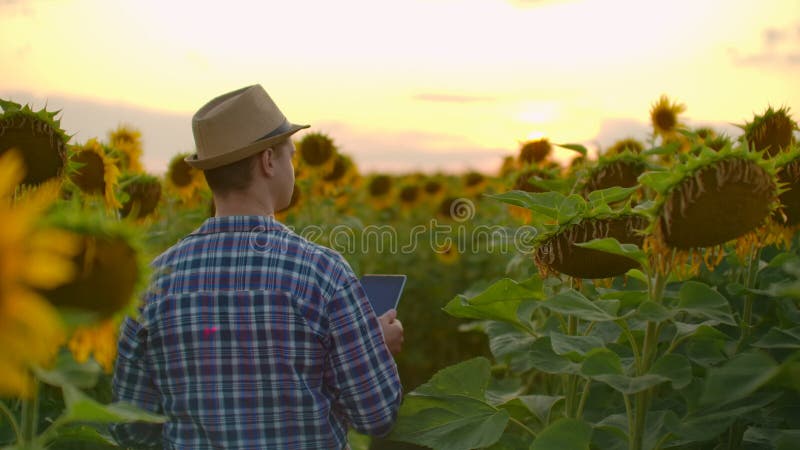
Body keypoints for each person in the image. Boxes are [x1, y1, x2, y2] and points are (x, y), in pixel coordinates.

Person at [110, 84, 404, 449]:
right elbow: (376, 415)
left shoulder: (152, 284)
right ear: (268, 161)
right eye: (289, 156)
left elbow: (129, 428)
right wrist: (371, 350)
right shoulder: (322, 274)